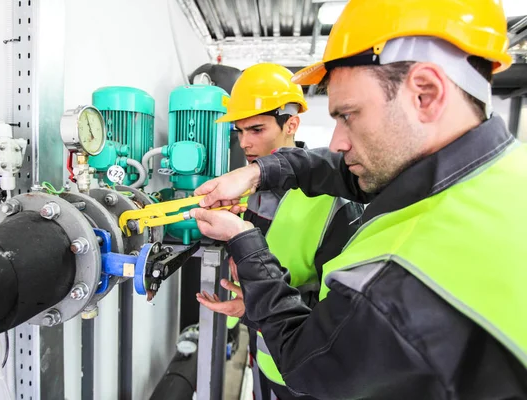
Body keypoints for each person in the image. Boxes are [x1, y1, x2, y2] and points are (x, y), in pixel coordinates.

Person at [190, 0, 527, 398]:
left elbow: (307, 356)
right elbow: (337, 172)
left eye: (347, 115)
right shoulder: (498, 174)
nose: (337, 142)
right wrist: (259, 171)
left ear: (426, 94)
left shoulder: (398, 273)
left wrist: (244, 241)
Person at [195, 62, 363, 400]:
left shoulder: (336, 204)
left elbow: (341, 321)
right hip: (264, 356)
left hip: (307, 379)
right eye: (239, 132)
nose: (245, 143)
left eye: (256, 130)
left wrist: (257, 304)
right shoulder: (244, 188)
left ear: (292, 123)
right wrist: (249, 309)